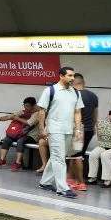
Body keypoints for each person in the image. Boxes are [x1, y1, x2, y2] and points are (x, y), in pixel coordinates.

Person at [36, 66, 83, 198]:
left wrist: (78, 129)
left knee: (58, 157)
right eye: (69, 75)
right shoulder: (50, 91)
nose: (72, 78)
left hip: (69, 130)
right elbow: (41, 111)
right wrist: (42, 128)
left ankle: (45, 182)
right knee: (59, 158)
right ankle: (62, 188)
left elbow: (78, 111)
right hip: (54, 129)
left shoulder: (75, 92)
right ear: (61, 76)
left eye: (73, 75)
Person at [0, 97, 42, 171]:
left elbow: (29, 123)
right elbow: (9, 117)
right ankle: (2, 160)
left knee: (20, 141)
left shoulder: (37, 113)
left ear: (33, 106)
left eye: (28, 106)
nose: (26, 107)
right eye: (24, 105)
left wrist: (17, 118)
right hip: (20, 134)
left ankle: (18, 163)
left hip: (32, 136)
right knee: (6, 139)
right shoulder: (22, 112)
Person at [66, 73, 98, 191]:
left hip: (78, 130)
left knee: (76, 156)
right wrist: (94, 127)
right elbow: (95, 113)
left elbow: (74, 113)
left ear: (74, 83)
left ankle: (80, 182)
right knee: (77, 155)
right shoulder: (93, 96)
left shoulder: (75, 95)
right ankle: (70, 177)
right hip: (89, 129)